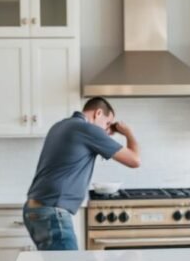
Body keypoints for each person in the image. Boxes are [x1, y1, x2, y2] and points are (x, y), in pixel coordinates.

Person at [23, 97, 141, 251]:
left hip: (34, 209)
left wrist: (104, 133)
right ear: (98, 113)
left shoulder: (60, 126)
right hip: (52, 211)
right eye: (107, 123)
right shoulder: (87, 129)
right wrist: (128, 133)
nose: (106, 129)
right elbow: (135, 160)